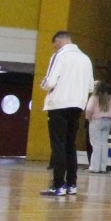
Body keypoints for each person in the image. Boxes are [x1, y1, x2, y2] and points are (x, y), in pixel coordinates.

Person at [39, 32, 93, 197]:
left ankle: (58, 185)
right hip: (77, 105)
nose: (54, 47)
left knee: (58, 145)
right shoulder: (85, 58)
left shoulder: (60, 56)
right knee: (71, 145)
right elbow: (90, 86)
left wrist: (43, 84)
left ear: (58, 40)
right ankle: (71, 184)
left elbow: (49, 82)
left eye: (54, 43)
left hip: (59, 105)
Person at [84, 80, 111, 174]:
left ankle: (94, 167)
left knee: (96, 144)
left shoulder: (94, 97)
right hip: (107, 121)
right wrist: (110, 115)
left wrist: (88, 118)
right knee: (104, 144)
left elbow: (89, 109)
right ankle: (103, 167)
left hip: (96, 121)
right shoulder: (110, 98)